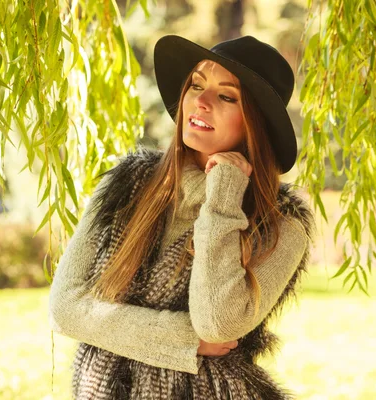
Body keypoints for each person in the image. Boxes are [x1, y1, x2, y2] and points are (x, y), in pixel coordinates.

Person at [48, 34, 315, 400]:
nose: (201, 102)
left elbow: (219, 324)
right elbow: (65, 308)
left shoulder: (281, 222)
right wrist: (185, 339)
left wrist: (224, 195)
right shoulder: (127, 185)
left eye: (226, 96)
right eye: (196, 85)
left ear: (257, 122)